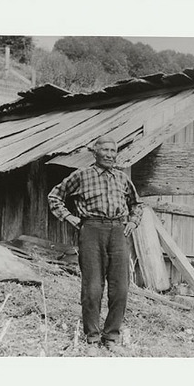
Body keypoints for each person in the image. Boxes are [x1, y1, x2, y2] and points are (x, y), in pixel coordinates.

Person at [48, 135, 143, 351]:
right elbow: (55, 196)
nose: (110, 154)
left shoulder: (121, 178)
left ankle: (111, 337)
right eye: (106, 150)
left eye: (113, 150)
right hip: (91, 230)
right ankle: (92, 338)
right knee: (92, 287)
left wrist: (133, 222)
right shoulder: (81, 176)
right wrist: (69, 217)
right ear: (95, 152)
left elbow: (137, 204)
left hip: (118, 231)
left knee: (120, 288)